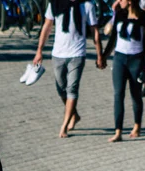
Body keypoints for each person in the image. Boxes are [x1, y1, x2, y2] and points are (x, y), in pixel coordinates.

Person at [33, 0, 104, 138]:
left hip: (77, 54)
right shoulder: (55, 4)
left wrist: (99, 55)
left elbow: (94, 31)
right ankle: (74, 115)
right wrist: (39, 50)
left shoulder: (87, 5)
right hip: (58, 53)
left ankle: (64, 126)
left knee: (72, 88)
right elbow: (47, 26)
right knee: (61, 88)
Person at [102, 0, 145, 142]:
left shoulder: (143, 16)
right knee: (118, 94)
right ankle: (118, 131)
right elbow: (112, 37)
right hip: (119, 59)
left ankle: (137, 126)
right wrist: (103, 57)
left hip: (136, 60)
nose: (119, 1)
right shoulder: (119, 14)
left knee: (135, 95)